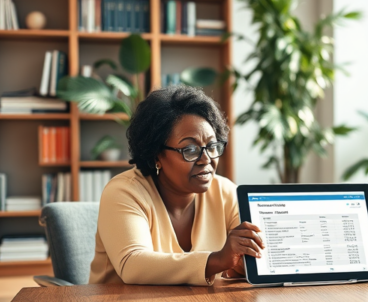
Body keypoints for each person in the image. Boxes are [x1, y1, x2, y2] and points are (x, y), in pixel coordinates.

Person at [89, 85, 264, 285]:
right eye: (190, 149)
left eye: (212, 146)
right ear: (156, 155)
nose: (205, 159)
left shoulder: (226, 192)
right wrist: (218, 260)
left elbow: (250, 260)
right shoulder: (124, 192)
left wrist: (244, 264)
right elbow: (133, 264)